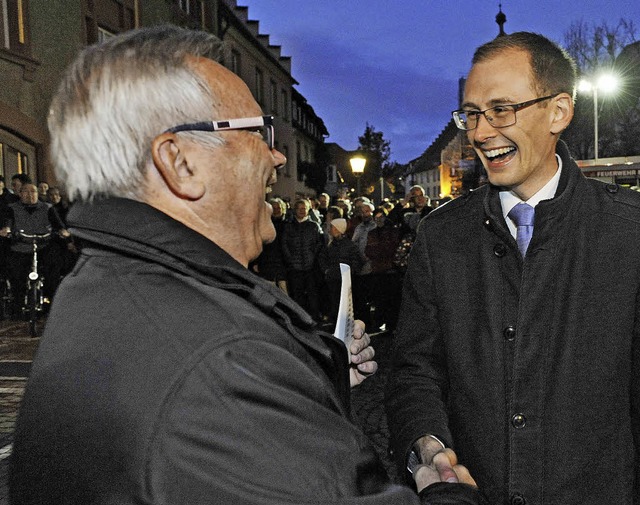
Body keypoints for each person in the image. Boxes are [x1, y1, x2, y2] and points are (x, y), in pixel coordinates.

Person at [9, 26, 484, 505]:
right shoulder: (223, 366)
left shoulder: (107, 283)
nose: (277, 155)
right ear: (180, 163)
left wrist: (313, 376)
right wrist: (446, 494)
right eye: (257, 133)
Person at [385, 31, 640, 505]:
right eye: (472, 114)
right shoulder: (441, 236)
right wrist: (427, 443)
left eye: (501, 110)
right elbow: (414, 370)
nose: (480, 133)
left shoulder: (628, 232)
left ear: (559, 112)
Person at [0, 183, 69, 315]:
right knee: (16, 273)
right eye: (26, 192)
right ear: (20, 194)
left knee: (53, 266)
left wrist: (63, 231)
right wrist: (7, 230)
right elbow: (8, 222)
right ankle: (17, 304)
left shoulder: (47, 208)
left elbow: (58, 224)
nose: (30, 195)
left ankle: (50, 300)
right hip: (21, 245)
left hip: (43, 245)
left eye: (33, 192)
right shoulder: (12, 208)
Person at [281, 198, 324, 321]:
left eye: (304, 208)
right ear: (295, 210)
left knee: (312, 294)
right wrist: (290, 259)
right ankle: (300, 318)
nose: (301, 211)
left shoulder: (313, 226)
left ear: (308, 210)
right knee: (297, 294)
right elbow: (284, 244)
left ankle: (314, 318)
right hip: (294, 267)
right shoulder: (289, 227)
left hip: (310, 267)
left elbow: (319, 244)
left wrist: (312, 257)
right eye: (299, 208)